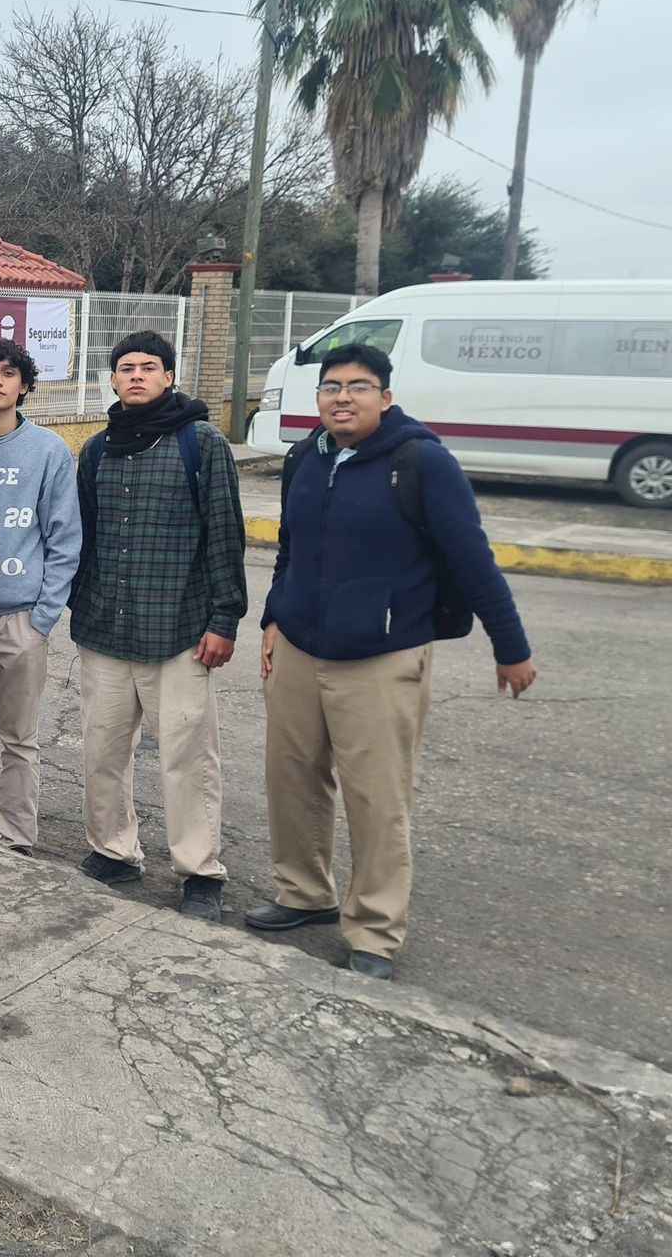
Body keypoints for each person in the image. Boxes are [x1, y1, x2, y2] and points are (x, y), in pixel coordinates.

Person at [249, 343, 536, 981]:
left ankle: (375, 931)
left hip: (380, 658)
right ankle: (304, 893)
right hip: (299, 645)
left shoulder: (421, 462)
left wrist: (510, 647)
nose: (341, 397)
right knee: (292, 779)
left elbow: (472, 558)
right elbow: (290, 548)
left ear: (386, 395)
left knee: (377, 797)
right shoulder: (306, 456)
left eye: (357, 386)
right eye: (330, 386)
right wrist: (274, 615)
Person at [69, 329, 246, 922]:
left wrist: (225, 617)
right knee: (102, 750)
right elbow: (83, 537)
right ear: (113, 380)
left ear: (169, 376)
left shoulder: (202, 442)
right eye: (126, 367)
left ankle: (199, 871)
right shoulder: (95, 449)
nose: (137, 375)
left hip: (182, 630)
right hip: (106, 628)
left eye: (149, 366)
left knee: (189, 756)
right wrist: (77, 602)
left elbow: (225, 536)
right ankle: (113, 851)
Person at [0, 339, 82, 854]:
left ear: (24, 385)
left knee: (19, 739)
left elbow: (64, 537)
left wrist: (43, 617)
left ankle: (17, 837)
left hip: (21, 618)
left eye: (9, 373)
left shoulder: (47, 450)